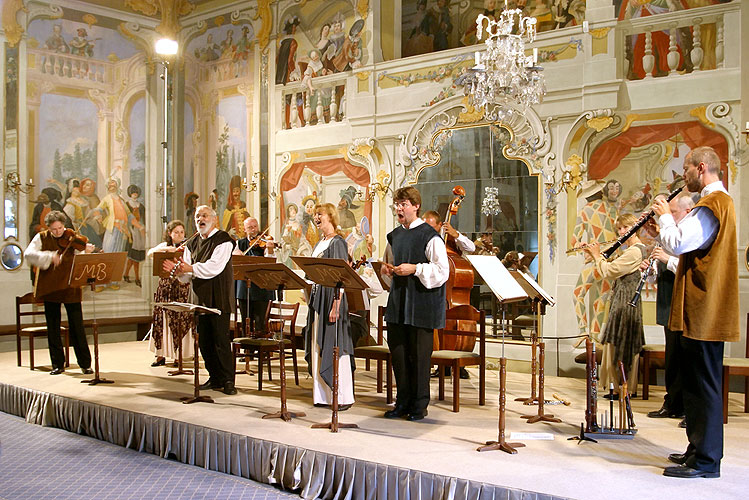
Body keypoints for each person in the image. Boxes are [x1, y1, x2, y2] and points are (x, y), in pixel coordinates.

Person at [653, 146, 739, 479]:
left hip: (705, 309)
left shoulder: (712, 205)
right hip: (701, 310)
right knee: (696, 384)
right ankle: (697, 450)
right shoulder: (718, 202)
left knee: (704, 386)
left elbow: (676, 244)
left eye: (686, 168)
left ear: (701, 167)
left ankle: (706, 461)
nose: (683, 175)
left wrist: (663, 214)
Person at [382, 187, 449, 421]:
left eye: (404, 204)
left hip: (421, 305)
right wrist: (386, 270)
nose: (399, 208)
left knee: (419, 359)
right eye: (397, 204)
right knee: (399, 357)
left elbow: (443, 271)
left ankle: (419, 406)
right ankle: (402, 402)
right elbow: (388, 265)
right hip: (398, 303)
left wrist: (416, 268)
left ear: (416, 206)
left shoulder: (430, 235)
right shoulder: (394, 236)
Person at [164, 205, 238, 395]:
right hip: (199, 298)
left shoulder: (224, 240)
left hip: (219, 296)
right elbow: (187, 275)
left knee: (221, 340)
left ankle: (228, 380)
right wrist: (178, 273)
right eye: (197, 216)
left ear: (213, 219)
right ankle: (215, 377)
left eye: (204, 216)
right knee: (204, 341)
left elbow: (214, 267)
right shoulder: (192, 242)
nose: (200, 219)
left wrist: (188, 269)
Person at [24, 210, 95, 375]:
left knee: (77, 326)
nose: (58, 232)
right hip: (51, 286)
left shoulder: (72, 237)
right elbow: (29, 254)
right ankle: (57, 364)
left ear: (64, 225)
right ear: (48, 228)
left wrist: (86, 251)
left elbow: (80, 254)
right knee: (53, 327)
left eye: (61, 228)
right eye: (54, 229)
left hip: (71, 285)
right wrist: (49, 257)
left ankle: (85, 364)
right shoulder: (41, 237)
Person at [583, 214, 646, 397]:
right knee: (615, 342)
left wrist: (597, 256)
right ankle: (617, 386)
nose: (621, 232)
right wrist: (593, 254)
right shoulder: (629, 251)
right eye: (619, 229)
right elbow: (611, 264)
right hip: (621, 298)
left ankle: (623, 387)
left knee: (622, 342)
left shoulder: (635, 251)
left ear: (634, 227)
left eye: (625, 228)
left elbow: (610, 271)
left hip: (626, 302)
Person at [644, 194, 694, 425]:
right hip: (667, 299)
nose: (667, 216)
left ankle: (689, 407)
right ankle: (673, 402)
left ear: (687, 211)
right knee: (672, 356)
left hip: (684, 302)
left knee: (686, 357)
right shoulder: (669, 233)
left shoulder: (689, 233)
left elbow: (691, 269)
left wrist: (666, 258)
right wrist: (651, 268)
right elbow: (657, 274)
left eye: (672, 212)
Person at [303, 203, 354, 410]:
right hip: (318, 298)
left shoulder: (337, 243)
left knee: (335, 347)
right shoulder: (319, 244)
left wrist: (336, 305)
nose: (316, 218)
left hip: (332, 299)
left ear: (331, 217)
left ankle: (341, 396)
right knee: (319, 345)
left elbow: (340, 277)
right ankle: (324, 396)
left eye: (320, 214)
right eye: (314, 215)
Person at [423, 209, 474, 379]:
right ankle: (439, 361)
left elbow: (471, 247)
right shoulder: (424, 240)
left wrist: (456, 234)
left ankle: (458, 361)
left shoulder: (450, 239)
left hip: (451, 297)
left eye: (431, 227)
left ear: (440, 225)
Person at [147, 220, 194, 367]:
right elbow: (150, 253)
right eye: (176, 232)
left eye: (181, 232)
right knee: (162, 319)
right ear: (170, 234)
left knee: (179, 320)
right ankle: (160, 355)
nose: (180, 235)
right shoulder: (164, 246)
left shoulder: (188, 248)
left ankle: (178, 356)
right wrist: (167, 250)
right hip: (165, 286)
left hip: (180, 287)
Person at [234, 216, 276, 335]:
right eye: (250, 227)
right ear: (245, 229)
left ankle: (259, 348)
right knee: (245, 320)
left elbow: (270, 261)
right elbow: (234, 258)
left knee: (260, 321)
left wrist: (270, 250)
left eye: (255, 226)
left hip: (261, 287)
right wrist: (237, 255)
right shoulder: (240, 243)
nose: (253, 230)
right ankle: (247, 347)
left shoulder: (265, 242)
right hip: (243, 289)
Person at [124, 185, 146, 287]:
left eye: (136, 192)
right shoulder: (127, 205)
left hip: (140, 231)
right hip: (131, 231)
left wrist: (143, 228)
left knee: (133, 257)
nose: (135, 194)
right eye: (133, 192)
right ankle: (137, 278)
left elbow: (144, 219)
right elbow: (125, 219)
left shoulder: (141, 206)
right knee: (134, 256)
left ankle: (126, 274)